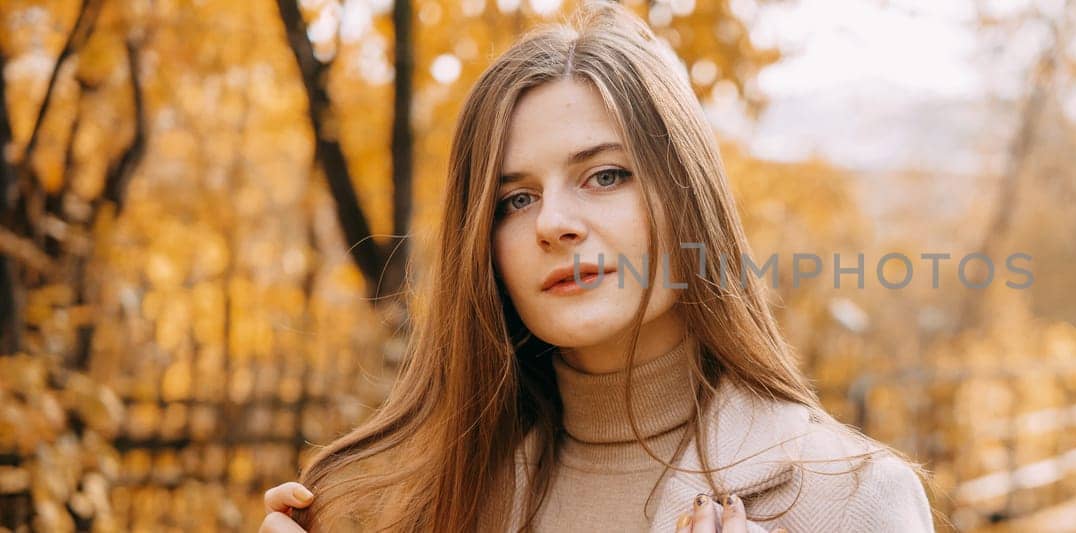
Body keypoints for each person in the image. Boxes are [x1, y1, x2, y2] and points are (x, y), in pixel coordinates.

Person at [257, 1, 936, 531]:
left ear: (687, 196)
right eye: (515, 199)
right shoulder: (418, 503)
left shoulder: (848, 498)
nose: (553, 222)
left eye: (605, 175)